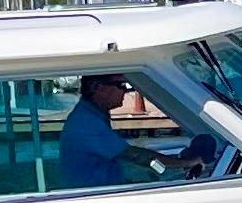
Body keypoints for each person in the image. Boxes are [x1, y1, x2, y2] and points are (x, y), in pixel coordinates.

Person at [58, 75, 211, 188]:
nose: (126, 91)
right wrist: (186, 162)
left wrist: (167, 167)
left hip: (101, 190)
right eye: (121, 85)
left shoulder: (90, 114)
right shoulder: (87, 122)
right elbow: (135, 155)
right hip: (95, 197)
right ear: (100, 88)